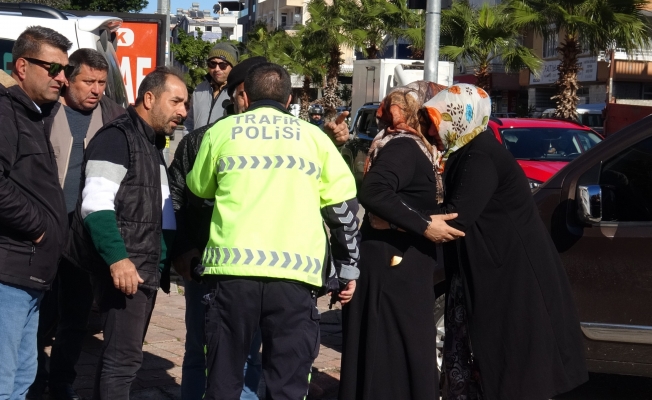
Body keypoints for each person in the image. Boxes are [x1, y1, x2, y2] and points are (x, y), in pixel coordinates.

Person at [187, 63, 360, 400]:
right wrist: (348, 268)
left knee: (222, 382)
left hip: (232, 275)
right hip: (296, 279)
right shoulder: (314, 138)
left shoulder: (221, 132)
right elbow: (343, 210)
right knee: (288, 385)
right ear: (290, 98)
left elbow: (199, 189)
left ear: (244, 96)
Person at [422, 84, 588, 400]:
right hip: (498, 270)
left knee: (515, 370)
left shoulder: (480, 154)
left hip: (514, 276)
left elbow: (458, 215)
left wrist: (400, 216)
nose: (431, 130)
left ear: (457, 119)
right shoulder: (469, 150)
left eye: (435, 120)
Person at [65, 67, 187, 400]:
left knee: (119, 360)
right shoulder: (118, 138)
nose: (183, 112)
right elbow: (95, 204)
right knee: (124, 362)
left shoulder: (149, 141)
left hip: (141, 270)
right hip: (127, 271)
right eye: (176, 102)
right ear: (149, 98)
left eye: (186, 104)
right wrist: (119, 259)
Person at [338, 81, 465, 400]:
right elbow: (374, 193)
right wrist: (423, 226)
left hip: (397, 267)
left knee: (396, 362)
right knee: (394, 363)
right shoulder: (405, 146)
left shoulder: (409, 145)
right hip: (392, 269)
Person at [26, 48, 126, 400]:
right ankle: (33, 375)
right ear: (68, 78)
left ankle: (62, 381)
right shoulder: (44, 112)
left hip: (86, 234)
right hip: (44, 228)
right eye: (88, 81)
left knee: (76, 313)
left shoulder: (114, 116)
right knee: (36, 312)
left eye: (101, 82)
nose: (96, 89)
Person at [169, 55, 267, 400]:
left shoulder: (283, 143)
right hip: (206, 265)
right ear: (239, 95)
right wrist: (183, 250)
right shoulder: (199, 140)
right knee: (200, 350)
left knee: (249, 358)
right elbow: (176, 197)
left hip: (260, 269)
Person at [0, 26, 71, 400]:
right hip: (9, 272)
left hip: (30, 274)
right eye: (53, 68)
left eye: (65, 70)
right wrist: (39, 227)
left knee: (22, 378)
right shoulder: (5, 110)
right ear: (23, 66)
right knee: (5, 381)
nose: (62, 78)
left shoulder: (32, 113)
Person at [184, 42, 238, 132]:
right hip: (198, 145)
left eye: (222, 65)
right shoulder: (199, 90)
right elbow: (189, 122)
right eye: (212, 64)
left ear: (232, 67)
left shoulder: (238, 92)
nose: (217, 69)